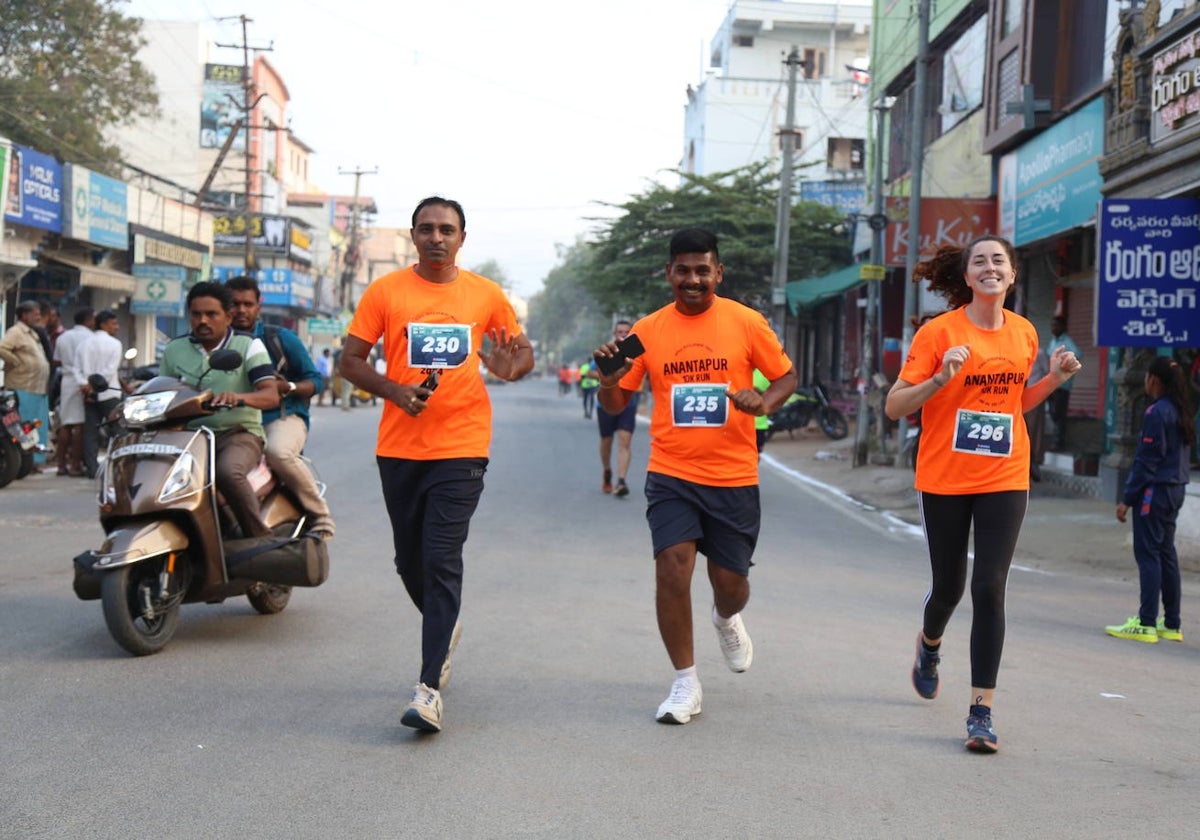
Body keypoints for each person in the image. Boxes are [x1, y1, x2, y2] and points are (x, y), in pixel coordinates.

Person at [340, 196, 534, 733]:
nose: (436, 238)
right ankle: (444, 627)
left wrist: (509, 367)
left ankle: (428, 689)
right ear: (413, 236)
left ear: (462, 238)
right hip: (399, 448)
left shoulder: (485, 295)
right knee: (410, 561)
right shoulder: (386, 292)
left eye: (446, 229)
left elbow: (522, 353)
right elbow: (350, 362)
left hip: (463, 445)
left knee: (442, 555)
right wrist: (395, 391)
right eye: (426, 229)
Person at [884, 236, 1081, 754]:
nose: (990, 268)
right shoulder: (938, 333)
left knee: (990, 587)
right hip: (945, 477)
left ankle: (981, 712)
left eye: (999, 260)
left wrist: (1055, 379)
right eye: (980, 262)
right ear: (967, 278)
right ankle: (929, 647)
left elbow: (1016, 404)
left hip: (1005, 476)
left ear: (1012, 275)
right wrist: (940, 379)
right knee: (948, 589)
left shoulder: (1025, 334)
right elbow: (894, 406)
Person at [593, 228, 797, 726]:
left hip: (732, 476)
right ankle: (685, 682)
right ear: (669, 274)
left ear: (718, 273)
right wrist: (608, 380)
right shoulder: (647, 331)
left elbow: (787, 376)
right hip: (671, 473)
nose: (692, 279)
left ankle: (726, 617)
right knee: (672, 568)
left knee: (731, 584)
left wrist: (763, 401)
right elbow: (618, 403)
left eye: (702, 269)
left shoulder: (747, 322)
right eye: (682, 270)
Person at [159, 281, 279, 538]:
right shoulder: (174, 350)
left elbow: (270, 395)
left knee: (227, 471)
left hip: (237, 434)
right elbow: (161, 392)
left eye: (211, 314)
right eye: (196, 314)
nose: (203, 320)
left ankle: (259, 538)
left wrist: (239, 398)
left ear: (228, 316)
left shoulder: (248, 346)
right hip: (187, 438)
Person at [226, 276, 335, 539]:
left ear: (258, 306)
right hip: (234, 421)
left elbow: (315, 380)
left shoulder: (280, 338)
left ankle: (320, 516)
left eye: (247, 304)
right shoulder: (218, 341)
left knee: (277, 452)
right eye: (234, 304)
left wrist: (290, 388)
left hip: (282, 416)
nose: (241, 310)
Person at [1105, 356, 1194, 644]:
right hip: (1176, 489)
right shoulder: (1182, 410)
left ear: (1153, 381)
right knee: (1166, 553)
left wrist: (1127, 499)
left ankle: (1145, 622)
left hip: (1154, 492)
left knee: (1149, 554)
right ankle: (1171, 623)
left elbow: (1146, 461)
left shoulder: (1157, 412)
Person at [78, 311, 131, 478]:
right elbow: (109, 370)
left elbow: (76, 369)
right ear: (102, 324)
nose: (117, 327)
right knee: (119, 430)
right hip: (109, 393)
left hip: (88, 394)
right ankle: (121, 467)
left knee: (90, 433)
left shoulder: (84, 344)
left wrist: (86, 386)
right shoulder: (115, 344)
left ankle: (92, 469)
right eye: (113, 324)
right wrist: (96, 385)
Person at [0, 301, 51, 467]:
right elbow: (2, 348)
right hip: (22, 386)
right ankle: (23, 461)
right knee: (24, 427)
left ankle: (33, 462)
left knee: (37, 427)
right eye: (35, 313)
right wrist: (16, 362)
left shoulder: (32, 333)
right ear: (24, 315)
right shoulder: (16, 332)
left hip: (37, 388)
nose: (38, 316)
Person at [596, 320, 640, 496]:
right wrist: (605, 377)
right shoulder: (607, 351)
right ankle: (607, 470)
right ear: (615, 334)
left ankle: (621, 481)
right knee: (607, 441)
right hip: (605, 403)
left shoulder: (636, 352)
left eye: (627, 332)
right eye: (620, 331)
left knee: (624, 440)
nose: (623, 334)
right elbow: (591, 371)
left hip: (629, 402)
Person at [53, 308, 95, 476]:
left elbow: (56, 360)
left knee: (65, 424)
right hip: (84, 382)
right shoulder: (91, 338)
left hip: (66, 381)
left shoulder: (63, 337)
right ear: (88, 320)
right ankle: (75, 465)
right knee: (80, 425)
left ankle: (61, 465)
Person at [1047, 316, 1079, 450]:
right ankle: (1055, 440)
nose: (1053, 328)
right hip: (1051, 385)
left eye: (1056, 325)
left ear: (1063, 327)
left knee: (1059, 414)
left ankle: (1059, 443)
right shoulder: (1053, 342)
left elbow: (1077, 354)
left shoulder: (1066, 342)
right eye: (1052, 325)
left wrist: (1064, 365)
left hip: (1062, 385)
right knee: (1053, 413)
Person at [1024, 347, 1050, 482]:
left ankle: (1034, 462)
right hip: (1017, 396)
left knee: (1034, 430)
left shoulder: (1039, 353)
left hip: (1034, 395)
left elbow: (1047, 372)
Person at [753, 369, 771, 454]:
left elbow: (754, 390)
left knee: (756, 454)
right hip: (740, 424)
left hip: (758, 424)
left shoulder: (761, 372)